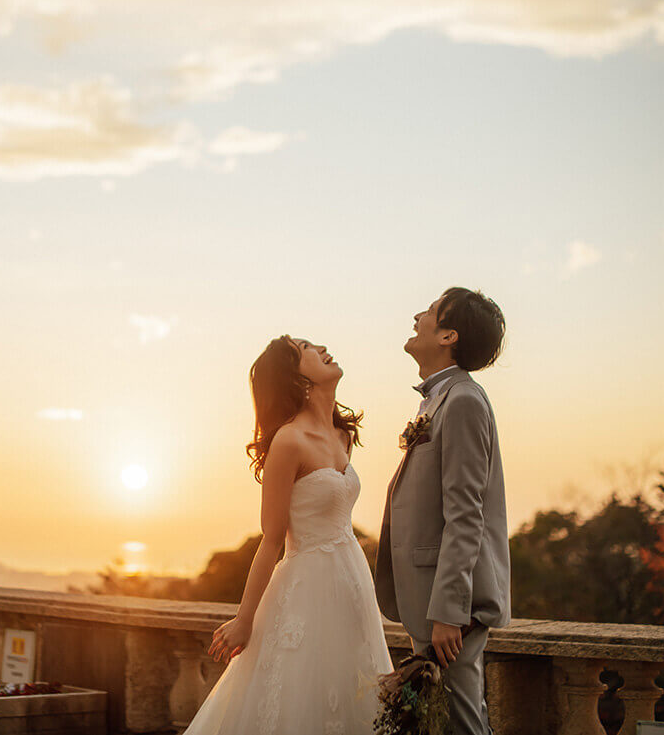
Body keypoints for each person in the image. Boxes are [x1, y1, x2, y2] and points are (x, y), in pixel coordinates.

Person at [187, 335, 393, 735]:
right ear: (295, 378)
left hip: (353, 584)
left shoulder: (342, 436)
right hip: (306, 589)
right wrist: (245, 619)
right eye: (307, 348)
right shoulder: (288, 441)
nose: (323, 346)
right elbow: (271, 539)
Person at [374, 287, 511, 735]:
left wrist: (450, 611)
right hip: (432, 600)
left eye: (430, 312)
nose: (418, 315)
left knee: (464, 724)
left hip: (450, 607)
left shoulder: (465, 400)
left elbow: (467, 514)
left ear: (449, 334)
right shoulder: (437, 399)